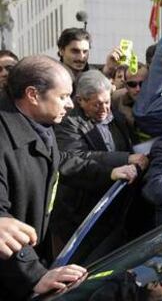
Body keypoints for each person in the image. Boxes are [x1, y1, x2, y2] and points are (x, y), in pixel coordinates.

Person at [0, 55, 137, 300]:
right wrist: (34, 274)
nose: (71, 104)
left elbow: (60, 161)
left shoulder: (39, 123)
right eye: (63, 97)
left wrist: (108, 172)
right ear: (33, 95)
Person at [51, 70, 148, 256]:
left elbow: (133, 147)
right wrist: (124, 158)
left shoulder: (117, 117)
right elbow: (76, 157)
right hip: (80, 214)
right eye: (97, 104)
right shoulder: (68, 122)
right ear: (80, 101)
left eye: (107, 102)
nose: (104, 109)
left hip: (116, 212)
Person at [57, 28, 123, 80]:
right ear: (61, 51)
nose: (81, 57)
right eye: (75, 51)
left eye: (85, 51)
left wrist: (109, 68)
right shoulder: (51, 77)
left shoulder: (94, 74)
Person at [112, 64, 149, 142]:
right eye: (132, 84)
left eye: (142, 84)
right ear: (125, 85)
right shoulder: (116, 99)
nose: (138, 89)